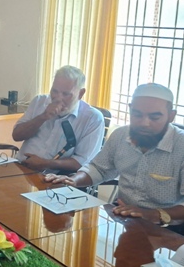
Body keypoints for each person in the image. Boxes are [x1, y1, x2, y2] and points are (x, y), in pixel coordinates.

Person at [47, 83, 184, 229]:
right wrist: (73, 180)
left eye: (154, 117)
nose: (144, 123)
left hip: (168, 229)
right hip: (123, 217)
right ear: (130, 109)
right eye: (137, 115)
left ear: (171, 116)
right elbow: (99, 168)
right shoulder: (120, 135)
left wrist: (153, 214)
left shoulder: (181, 146)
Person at [13, 65, 104, 173]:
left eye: (66, 94)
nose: (58, 98)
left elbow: (82, 162)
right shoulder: (39, 101)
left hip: (53, 177)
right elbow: (16, 136)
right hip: (20, 167)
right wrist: (42, 117)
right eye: (54, 91)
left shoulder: (93, 119)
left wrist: (46, 163)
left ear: (80, 93)